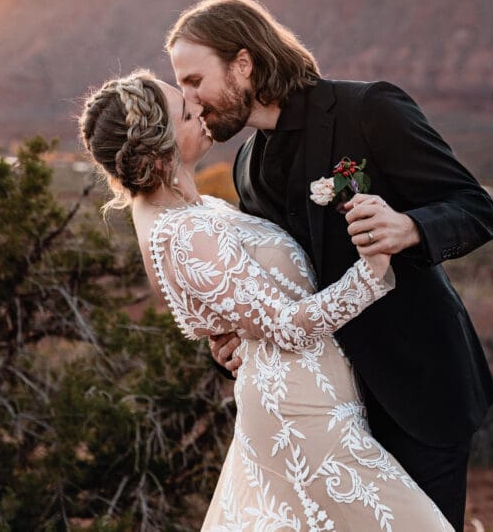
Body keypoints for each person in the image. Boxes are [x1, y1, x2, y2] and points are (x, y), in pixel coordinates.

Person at [165, 0, 493, 531]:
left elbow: (478, 210)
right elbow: (282, 282)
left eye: (194, 80)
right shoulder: (247, 166)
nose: (190, 100)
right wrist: (240, 335)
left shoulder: (369, 109)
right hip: (328, 414)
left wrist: (409, 227)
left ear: (244, 64)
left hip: (418, 391)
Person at [79, 70, 454, 531]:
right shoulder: (183, 231)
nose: (198, 108)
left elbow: (245, 306)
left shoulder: (189, 210)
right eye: (184, 112)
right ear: (158, 150)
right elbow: (288, 326)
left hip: (318, 402)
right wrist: (373, 268)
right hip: (301, 417)